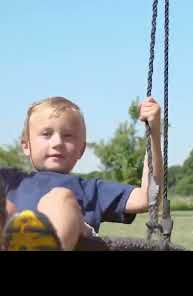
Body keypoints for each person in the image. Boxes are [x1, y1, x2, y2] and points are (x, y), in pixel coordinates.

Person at [1, 96, 163, 251]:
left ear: (81, 149)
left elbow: (148, 198)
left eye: (68, 136)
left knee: (60, 198)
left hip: (75, 242)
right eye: (46, 134)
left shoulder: (91, 189)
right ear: (26, 145)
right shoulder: (10, 181)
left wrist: (153, 133)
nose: (57, 142)